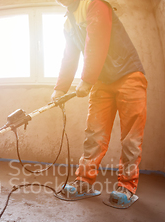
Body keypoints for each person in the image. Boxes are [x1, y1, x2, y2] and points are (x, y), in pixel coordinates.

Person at [52, 0, 147, 208]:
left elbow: (97, 40)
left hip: (128, 74)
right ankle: (84, 182)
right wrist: (60, 88)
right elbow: (69, 56)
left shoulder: (94, 4)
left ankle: (127, 186)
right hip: (102, 82)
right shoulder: (68, 22)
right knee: (94, 134)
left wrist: (86, 80)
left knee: (131, 137)